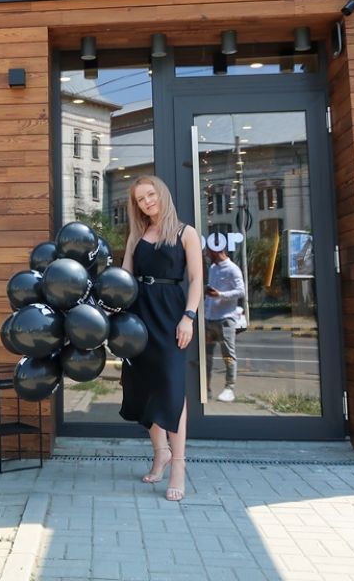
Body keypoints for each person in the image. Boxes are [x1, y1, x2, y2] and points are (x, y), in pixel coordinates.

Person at [118, 175, 204, 503]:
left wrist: (189, 317)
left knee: (171, 388)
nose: (147, 202)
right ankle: (160, 453)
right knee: (143, 386)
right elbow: (124, 277)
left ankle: (178, 465)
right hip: (139, 315)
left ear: (162, 194)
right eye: (140, 199)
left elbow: (196, 279)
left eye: (150, 195)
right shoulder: (137, 235)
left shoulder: (186, 233)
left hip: (170, 314)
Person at [204, 245, 245, 403]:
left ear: (216, 250)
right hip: (210, 319)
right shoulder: (213, 268)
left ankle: (230, 388)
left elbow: (241, 291)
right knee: (206, 356)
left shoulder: (233, 269)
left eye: (208, 250)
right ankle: (206, 388)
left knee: (228, 355)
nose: (206, 253)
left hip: (226, 319)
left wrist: (220, 294)